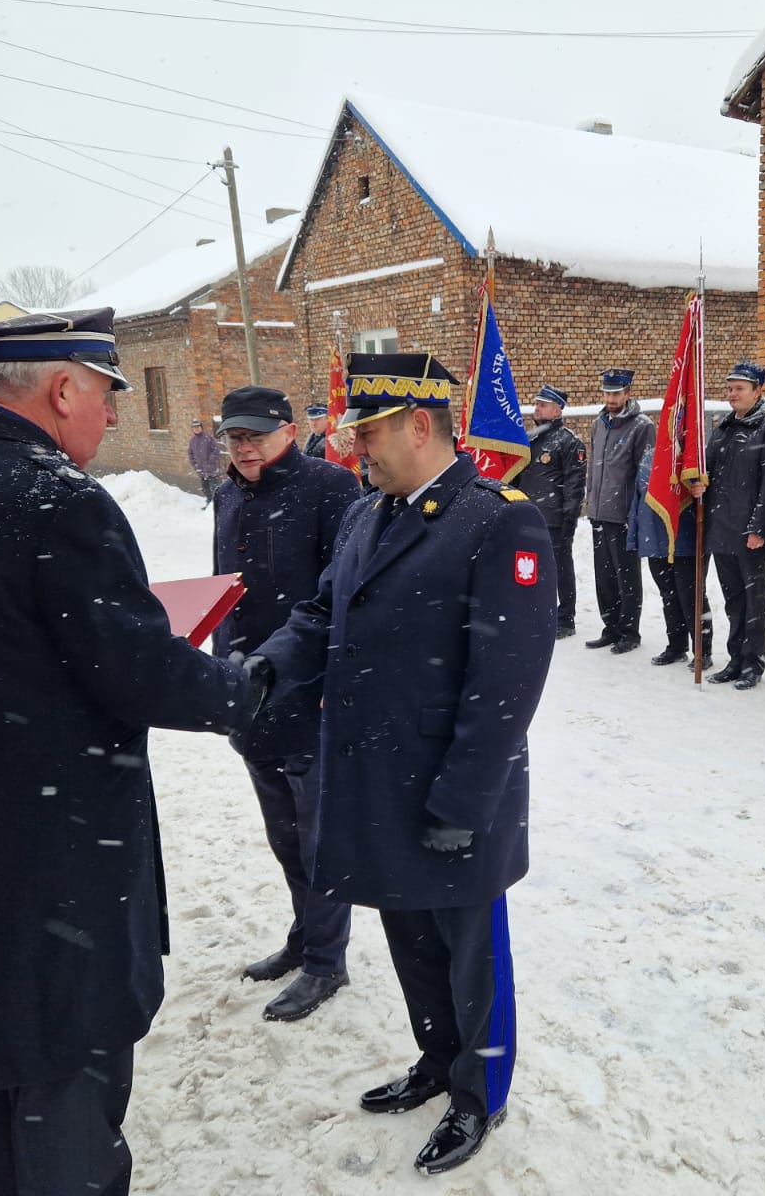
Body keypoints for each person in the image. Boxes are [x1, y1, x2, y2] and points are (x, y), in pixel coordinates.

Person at [0, 308, 267, 1196]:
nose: (113, 414)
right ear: (61, 389)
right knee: (70, 1104)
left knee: (0, 1094)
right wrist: (245, 689)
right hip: (60, 870)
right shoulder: (58, 500)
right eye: (107, 394)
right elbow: (139, 674)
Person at [250, 353, 556, 1175]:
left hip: (455, 792)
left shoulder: (497, 521)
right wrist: (268, 667)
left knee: (471, 956)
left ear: (421, 425)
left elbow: (507, 682)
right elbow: (321, 613)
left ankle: (479, 1096)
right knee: (412, 940)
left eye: (370, 433)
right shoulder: (367, 514)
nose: (356, 449)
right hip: (378, 781)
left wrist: (463, 802)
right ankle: (437, 1060)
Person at [210, 385, 361, 1020]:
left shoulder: (332, 489)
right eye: (233, 437)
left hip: (308, 692)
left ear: (290, 431)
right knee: (284, 836)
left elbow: (343, 599)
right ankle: (304, 935)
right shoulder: (226, 494)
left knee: (319, 839)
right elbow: (224, 589)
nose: (243, 447)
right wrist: (218, 666)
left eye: (256, 435)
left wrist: (330, 685)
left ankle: (327, 962)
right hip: (246, 694)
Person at [690, 361, 765, 690]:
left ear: (758, 391)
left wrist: (760, 528)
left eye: (739, 388)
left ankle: (752, 663)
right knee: (733, 600)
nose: (732, 394)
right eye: (729, 389)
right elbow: (709, 470)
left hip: (750, 533)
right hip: (722, 528)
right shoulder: (724, 427)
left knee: (754, 600)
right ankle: (735, 659)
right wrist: (700, 484)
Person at [583, 367, 653, 652]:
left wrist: (635, 513)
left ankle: (629, 632)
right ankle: (610, 627)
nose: (610, 399)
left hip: (623, 514)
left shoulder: (641, 426)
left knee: (627, 576)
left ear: (628, 393)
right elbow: (593, 467)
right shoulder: (599, 424)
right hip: (599, 512)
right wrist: (591, 502)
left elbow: (644, 474)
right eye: (607, 393)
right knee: (604, 576)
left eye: (616, 394)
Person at [626, 444, 713, 667]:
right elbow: (639, 497)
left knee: (692, 597)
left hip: (685, 538)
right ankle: (676, 646)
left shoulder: (697, 455)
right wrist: (634, 535)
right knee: (669, 596)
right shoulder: (650, 455)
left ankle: (702, 650)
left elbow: (710, 494)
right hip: (655, 538)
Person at [513, 384, 586, 638]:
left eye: (542, 405)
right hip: (528, 517)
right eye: (536, 404)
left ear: (557, 410)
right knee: (530, 569)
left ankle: (565, 619)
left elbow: (574, 486)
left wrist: (569, 521)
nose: (537, 409)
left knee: (560, 569)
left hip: (554, 520)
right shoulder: (529, 439)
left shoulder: (569, 442)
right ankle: (535, 611)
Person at [187, 417, 221, 505]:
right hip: (201, 471)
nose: (196, 429)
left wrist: (211, 461)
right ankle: (209, 503)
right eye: (194, 428)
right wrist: (195, 465)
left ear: (201, 427)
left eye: (198, 427)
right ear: (193, 429)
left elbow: (216, 451)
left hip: (211, 470)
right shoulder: (192, 441)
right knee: (205, 489)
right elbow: (190, 455)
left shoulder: (209, 438)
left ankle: (217, 505)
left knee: (214, 489)